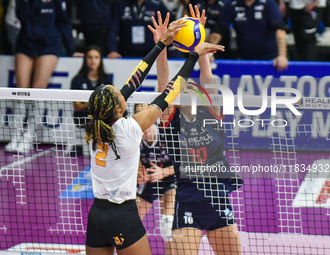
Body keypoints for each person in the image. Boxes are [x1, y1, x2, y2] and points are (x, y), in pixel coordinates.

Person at [84, 13, 223, 255]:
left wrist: (160, 44)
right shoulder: (129, 128)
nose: (121, 90)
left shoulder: (95, 125)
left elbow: (134, 79)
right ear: (118, 107)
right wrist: (194, 55)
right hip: (122, 215)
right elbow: (169, 91)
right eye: (117, 93)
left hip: (96, 216)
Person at [151, 6, 242, 254]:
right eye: (182, 87)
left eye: (192, 86)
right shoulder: (171, 119)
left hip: (217, 198)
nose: (188, 87)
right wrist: (161, 47)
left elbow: (206, 74)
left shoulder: (211, 111)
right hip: (188, 199)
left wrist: (199, 40)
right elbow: (163, 82)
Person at [5, 0, 82, 153]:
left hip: (48, 46)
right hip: (25, 44)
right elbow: (22, 17)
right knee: (21, 92)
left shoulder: (56, 2)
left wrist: (71, 49)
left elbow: (63, 22)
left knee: (37, 92)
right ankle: (15, 135)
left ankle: (28, 136)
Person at [135, 103, 176, 254]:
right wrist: (140, 172)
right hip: (151, 180)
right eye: (139, 113)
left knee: (168, 225)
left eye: (147, 112)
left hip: (172, 177)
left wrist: (163, 172)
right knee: (131, 220)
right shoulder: (133, 136)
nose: (144, 116)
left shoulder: (167, 133)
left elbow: (184, 164)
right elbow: (136, 160)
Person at [208, 0, 289, 71]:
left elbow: (280, 28)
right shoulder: (232, 5)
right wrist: (210, 54)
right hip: (243, 60)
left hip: (270, 60)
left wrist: (282, 56)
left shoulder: (268, 3)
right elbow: (219, 30)